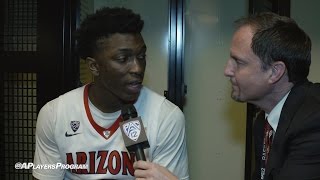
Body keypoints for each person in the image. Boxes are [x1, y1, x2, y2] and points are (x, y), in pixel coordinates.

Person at [33, 7, 189, 180]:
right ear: (94, 66)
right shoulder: (54, 115)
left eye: (141, 56)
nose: (137, 68)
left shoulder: (167, 117)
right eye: (123, 59)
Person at [224, 12, 320, 180]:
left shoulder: (313, 121)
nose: (227, 71)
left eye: (238, 62)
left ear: (275, 72)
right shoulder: (263, 122)